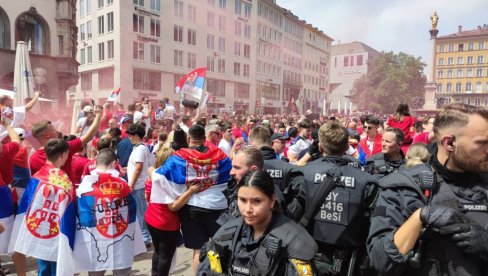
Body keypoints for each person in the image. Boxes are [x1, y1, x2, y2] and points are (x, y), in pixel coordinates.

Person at [367, 104, 488, 276]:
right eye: (482, 143)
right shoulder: (405, 186)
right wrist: (419, 217)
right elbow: (380, 260)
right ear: (450, 143)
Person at [198, 170, 317, 275]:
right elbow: (207, 271)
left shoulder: (294, 241)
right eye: (243, 200)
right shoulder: (225, 233)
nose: (248, 209)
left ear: (272, 201)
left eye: (256, 201)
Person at [299, 121, 379, 275]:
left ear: (320, 147)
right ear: (345, 148)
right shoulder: (366, 181)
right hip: (347, 257)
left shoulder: (304, 174)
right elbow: (374, 226)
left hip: (314, 253)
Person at [150, 124, 231, 272]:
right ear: (204, 138)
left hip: (192, 209)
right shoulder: (220, 155)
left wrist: (151, 171)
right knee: (216, 247)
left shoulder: (179, 157)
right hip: (216, 207)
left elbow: (159, 176)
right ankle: (216, 273)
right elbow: (230, 173)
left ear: (188, 138)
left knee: (198, 250)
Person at [73, 149, 145, 275]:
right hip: (121, 239)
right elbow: (131, 212)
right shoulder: (123, 184)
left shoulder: (84, 186)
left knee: (95, 272)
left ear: (95, 163)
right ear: (114, 164)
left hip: (94, 241)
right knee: (122, 271)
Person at [12, 138, 76, 276]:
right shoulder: (64, 181)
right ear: (63, 155)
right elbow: (70, 210)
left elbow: (25, 206)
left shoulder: (36, 176)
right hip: (56, 230)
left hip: (38, 226)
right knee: (55, 262)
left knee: (43, 263)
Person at [145, 147, 200, 276]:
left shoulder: (155, 174)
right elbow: (173, 206)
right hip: (165, 223)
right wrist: (190, 191)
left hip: (151, 218)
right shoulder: (169, 179)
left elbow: (149, 169)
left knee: (158, 251)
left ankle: (155, 274)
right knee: (165, 255)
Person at [248, 126, 307, 222]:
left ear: (251, 144)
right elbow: (301, 197)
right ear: (271, 143)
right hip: (283, 225)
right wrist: (287, 218)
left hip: (254, 222)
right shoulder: (289, 168)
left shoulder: (246, 168)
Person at [30, 105, 102, 182]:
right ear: (47, 135)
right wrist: (98, 115)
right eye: (54, 129)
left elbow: (35, 181)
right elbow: (89, 136)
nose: (57, 131)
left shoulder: (33, 158)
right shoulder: (63, 147)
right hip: (66, 192)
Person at [126, 123, 153, 247]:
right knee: (141, 212)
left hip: (138, 186)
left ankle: (145, 238)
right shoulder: (141, 147)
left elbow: (138, 167)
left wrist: (131, 185)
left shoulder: (140, 148)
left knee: (141, 213)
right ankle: (145, 237)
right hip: (139, 185)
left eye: (130, 135)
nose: (129, 138)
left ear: (136, 135)